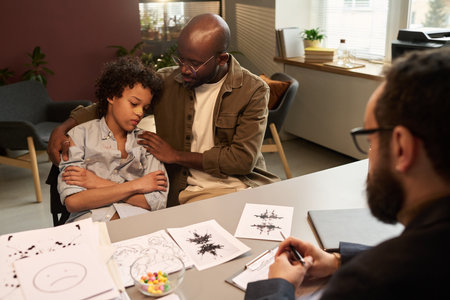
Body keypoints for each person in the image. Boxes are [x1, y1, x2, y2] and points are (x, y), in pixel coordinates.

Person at [245, 48, 450, 299]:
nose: (369, 154)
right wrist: (338, 261)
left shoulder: (370, 283)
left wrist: (277, 286)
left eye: (371, 140)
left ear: (402, 148)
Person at [48, 13, 278, 208]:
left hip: (243, 184)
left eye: (195, 64)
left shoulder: (253, 90)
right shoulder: (168, 81)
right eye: (181, 59)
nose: (184, 69)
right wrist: (64, 127)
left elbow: (242, 160)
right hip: (189, 189)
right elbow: (114, 101)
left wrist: (176, 155)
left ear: (221, 59)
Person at [58, 56, 168, 223]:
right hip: (91, 227)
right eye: (133, 103)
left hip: (138, 227)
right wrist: (136, 185)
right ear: (111, 96)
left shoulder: (147, 142)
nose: (140, 113)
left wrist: (96, 183)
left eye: (145, 108)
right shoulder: (79, 136)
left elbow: (157, 203)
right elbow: (74, 201)